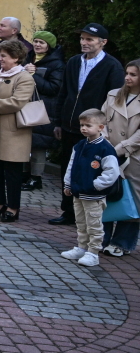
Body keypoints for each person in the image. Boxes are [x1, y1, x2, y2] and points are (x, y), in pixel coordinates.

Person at [50, 24, 125, 226]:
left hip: (94, 129)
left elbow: (114, 101)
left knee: (91, 170)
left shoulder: (112, 66)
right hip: (69, 125)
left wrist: (104, 127)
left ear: (103, 42)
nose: (84, 42)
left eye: (89, 39)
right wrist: (58, 121)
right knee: (69, 168)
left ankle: (90, 214)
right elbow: (64, 93)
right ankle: (68, 211)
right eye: (82, 38)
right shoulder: (74, 62)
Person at [0, 38, 36, 222]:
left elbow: (16, 103)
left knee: (12, 174)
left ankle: (13, 207)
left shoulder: (24, 78)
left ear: (16, 57)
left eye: (4, 56)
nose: (0, 59)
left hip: (15, 133)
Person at [61, 109, 122, 268]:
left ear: (101, 127)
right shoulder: (80, 145)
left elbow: (112, 172)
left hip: (93, 195)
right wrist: (68, 184)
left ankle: (93, 252)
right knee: (81, 222)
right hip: (78, 192)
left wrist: (95, 185)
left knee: (94, 224)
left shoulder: (105, 149)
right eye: (82, 125)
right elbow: (71, 166)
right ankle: (82, 247)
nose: (83, 128)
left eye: (88, 125)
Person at [99, 61, 140, 256]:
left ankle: (122, 242)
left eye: (133, 74)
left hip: (134, 156)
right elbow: (102, 120)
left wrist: (122, 148)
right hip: (108, 152)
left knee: (131, 198)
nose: (128, 77)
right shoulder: (113, 94)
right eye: (127, 73)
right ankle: (101, 238)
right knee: (105, 194)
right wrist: (106, 144)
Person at [27, 31, 64, 191]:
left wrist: (34, 75)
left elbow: (54, 88)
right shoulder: (28, 59)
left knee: (38, 145)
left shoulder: (57, 64)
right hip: (26, 107)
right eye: (35, 41)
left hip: (43, 109)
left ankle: (36, 178)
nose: (37, 45)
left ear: (49, 45)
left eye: (41, 42)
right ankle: (24, 175)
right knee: (24, 142)